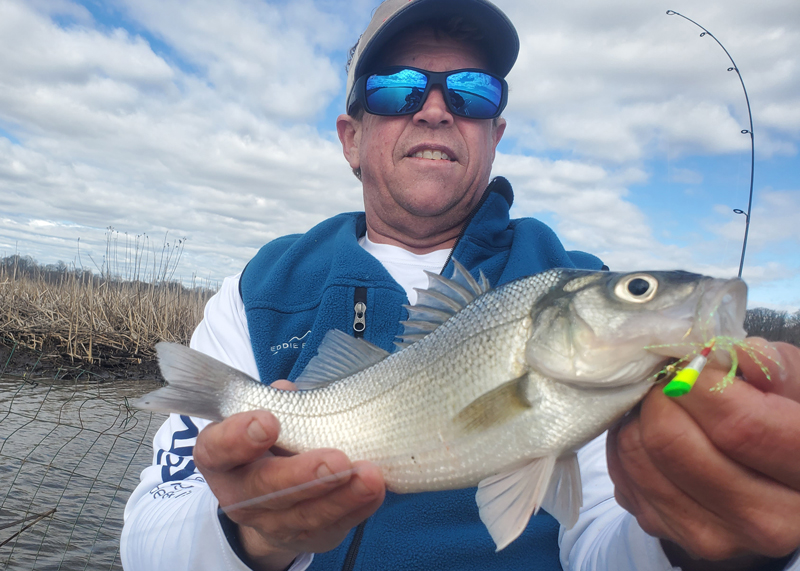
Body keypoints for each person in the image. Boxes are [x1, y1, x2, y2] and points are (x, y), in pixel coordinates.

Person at [121, 0, 800, 570]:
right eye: (397, 88)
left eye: (471, 91)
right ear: (351, 137)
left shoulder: (588, 304)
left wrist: (697, 534)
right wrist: (245, 533)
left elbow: (599, 535)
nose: (437, 109)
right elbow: (147, 534)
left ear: (495, 132)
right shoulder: (258, 289)